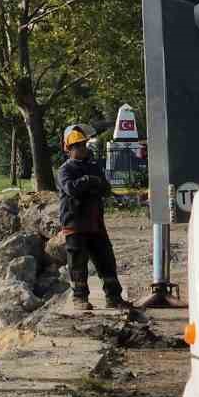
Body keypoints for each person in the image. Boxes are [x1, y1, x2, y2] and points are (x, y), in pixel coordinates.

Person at [57, 125, 127, 311]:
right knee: (78, 264)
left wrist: (93, 183)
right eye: (77, 146)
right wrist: (88, 181)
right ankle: (80, 298)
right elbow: (71, 189)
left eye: (82, 145)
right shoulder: (65, 170)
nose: (81, 149)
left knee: (106, 261)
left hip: (95, 223)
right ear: (69, 149)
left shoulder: (93, 167)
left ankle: (114, 297)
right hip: (75, 224)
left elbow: (105, 189)